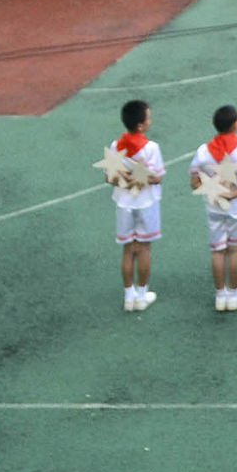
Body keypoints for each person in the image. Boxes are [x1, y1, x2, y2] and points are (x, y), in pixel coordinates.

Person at [189, 104, 237, 312]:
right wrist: (233, 193)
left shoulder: (204, 152)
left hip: (214, 207)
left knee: (218, 250)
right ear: (235, 123)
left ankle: (220, 294)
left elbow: (194, 182)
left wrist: (214, 190)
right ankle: (235, 291)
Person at [109, 98, 166, 313]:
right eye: (149, 118)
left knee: (127, 250)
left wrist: (126, 178)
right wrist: (140, 178)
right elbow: (157, 177)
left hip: (124, 203)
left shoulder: (116, 146)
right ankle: (142, 295)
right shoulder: (151, 148)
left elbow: (111, 176)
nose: (150, 121)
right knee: (143, 249)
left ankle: (128, 296)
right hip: (146, 203)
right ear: (141, 125)